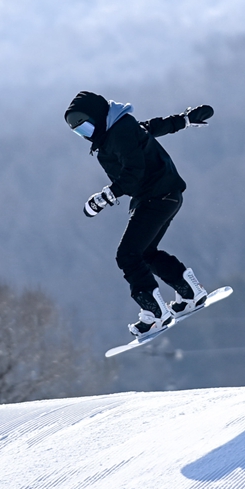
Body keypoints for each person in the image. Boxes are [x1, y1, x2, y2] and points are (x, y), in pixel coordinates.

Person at [64, 91, 213, 337]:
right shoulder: (119, 129)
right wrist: (184, 120)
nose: (87, 135)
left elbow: (133, 172)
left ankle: (155, 313)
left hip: (157, 197)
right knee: (144, 253)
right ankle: (189, 292)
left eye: (87, 127)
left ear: (99, 117)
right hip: (165, 195)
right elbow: (150, 128)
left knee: (128, 256)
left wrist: (106, 196)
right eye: (80, 133)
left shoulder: (119, 131)